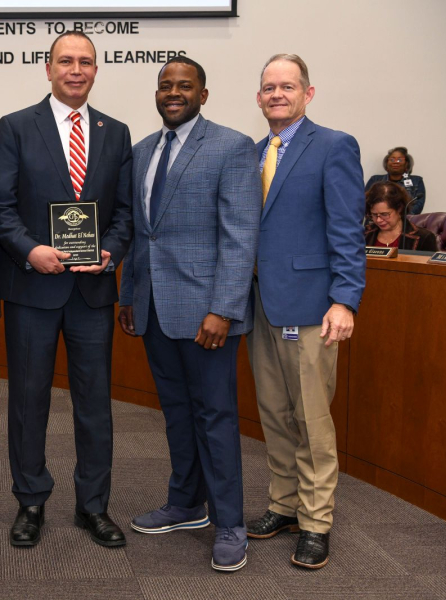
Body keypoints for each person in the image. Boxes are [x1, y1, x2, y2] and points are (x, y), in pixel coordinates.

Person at [0, 31, 134, 548]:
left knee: (95, 405)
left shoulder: (115, 133)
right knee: (28, 403)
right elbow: (0, 207)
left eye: (86, 62)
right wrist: (30, 250)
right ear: (47, 69)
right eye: (66, 61)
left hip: (92, 293)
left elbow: (124, 214)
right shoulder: (15, 127)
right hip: (32, 288)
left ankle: (93, 505)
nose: (76, 70)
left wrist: (110, 251)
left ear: (96, 71)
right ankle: (31, 501)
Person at [118, 56, 261, 572]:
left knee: (216, 417)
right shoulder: (141, 152)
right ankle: (186, 505)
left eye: (184, 86)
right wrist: (128, 298)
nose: (173, 93)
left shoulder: (231, 147)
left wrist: (224, 308)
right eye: (165, 86)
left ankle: (230, 522)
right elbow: (141, 234)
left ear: (203, 94)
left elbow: (240, 234)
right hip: (155, 308)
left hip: (207, 313)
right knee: (176, 414)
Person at [246, 54, 366, 570]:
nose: (277, 94)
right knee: (274, 413)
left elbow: (346, 229)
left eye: (287, 86)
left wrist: (345, 299)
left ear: (307, 93)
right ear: (259, 97)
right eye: (269, 87)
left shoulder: (334, 146)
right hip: (261, 308)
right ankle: (284, 505)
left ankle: (316, 521)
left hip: (312, 309)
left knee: (312, 419)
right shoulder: (253, 152)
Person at [364, 181, 438, 251]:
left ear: (399, 209)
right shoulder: (364, 234)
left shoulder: (424, 238)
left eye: (384, 214)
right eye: (374, 215)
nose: (378, 220)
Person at [365, 147, 425, 214]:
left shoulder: (417, 181)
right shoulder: (375, 180)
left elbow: (418, 205)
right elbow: (365, 203)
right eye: (392, 160)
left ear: (406, 164)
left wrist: (400, 218)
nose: (395, 162)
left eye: (399, 160)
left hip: (406, 221)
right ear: (387, 163)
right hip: (377, 220)